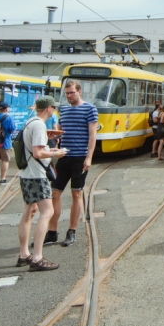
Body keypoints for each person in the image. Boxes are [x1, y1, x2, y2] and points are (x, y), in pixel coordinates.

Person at [17, 96, 69, 272]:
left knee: (29, 212)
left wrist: (50, 149)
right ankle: (37, 257)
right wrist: (57, 153)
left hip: (25, 173)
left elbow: (33, 150)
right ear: (49, 108)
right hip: (37, 175)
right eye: (54, 108)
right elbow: (38, 153)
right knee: (47, 212)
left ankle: (24, 254)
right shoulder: (39, 125)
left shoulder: (29, 122)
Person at [46, 80, 98, 248]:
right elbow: (61, 131)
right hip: (64, 156)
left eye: (71, 93)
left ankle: (71, 231)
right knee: (55, 193)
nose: (69, 96)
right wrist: (53, 136)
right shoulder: (64, 109)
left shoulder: (90, 109)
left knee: (76, 194)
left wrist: (88, 158)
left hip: (80, 157)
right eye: (67, 93)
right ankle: (52, 232)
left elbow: (92, 136)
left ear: (79, 92)